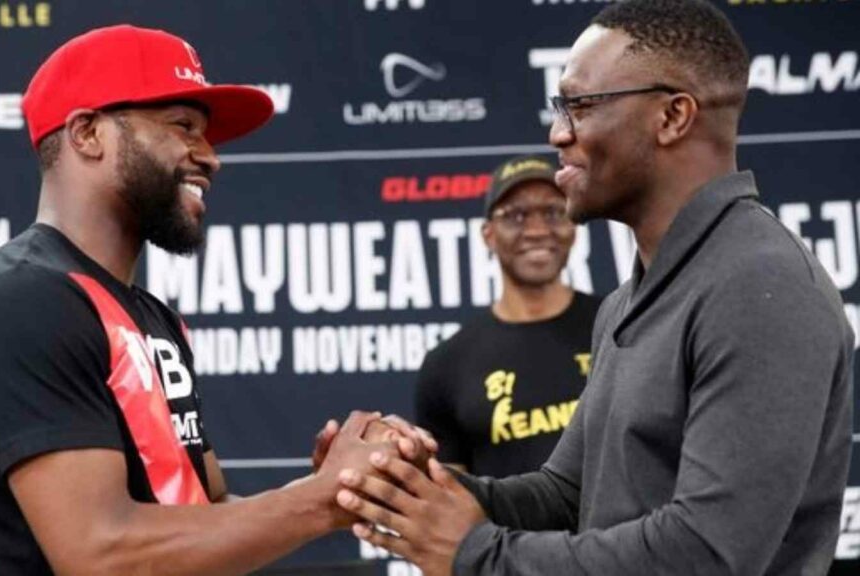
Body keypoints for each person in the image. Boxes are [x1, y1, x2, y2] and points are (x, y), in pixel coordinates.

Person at [333, 1, 855, 575]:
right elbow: (567, 497)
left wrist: (475, 554)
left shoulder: (760, 286)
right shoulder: (628, 303)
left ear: (672, 117)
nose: (558, 133)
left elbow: (707, 554)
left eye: (579, 106)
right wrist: (412, 487)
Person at [0, 25, 427, 576]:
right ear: (88, 133)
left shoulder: (149, 316)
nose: (210, 157)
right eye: (182, 126)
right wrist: (316, 501)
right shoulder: (24, 302)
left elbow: (202, 510)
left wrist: (338, 489)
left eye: (206, 135)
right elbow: (101, 553)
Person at [415, 155, 601, 478]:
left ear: (573, 224)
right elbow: (448, 503)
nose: (537, 230)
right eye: (515, 216)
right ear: (488, 235)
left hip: (620, 529)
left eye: (554, 212)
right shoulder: (446, 365)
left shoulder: (618, 325)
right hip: (505, 531)